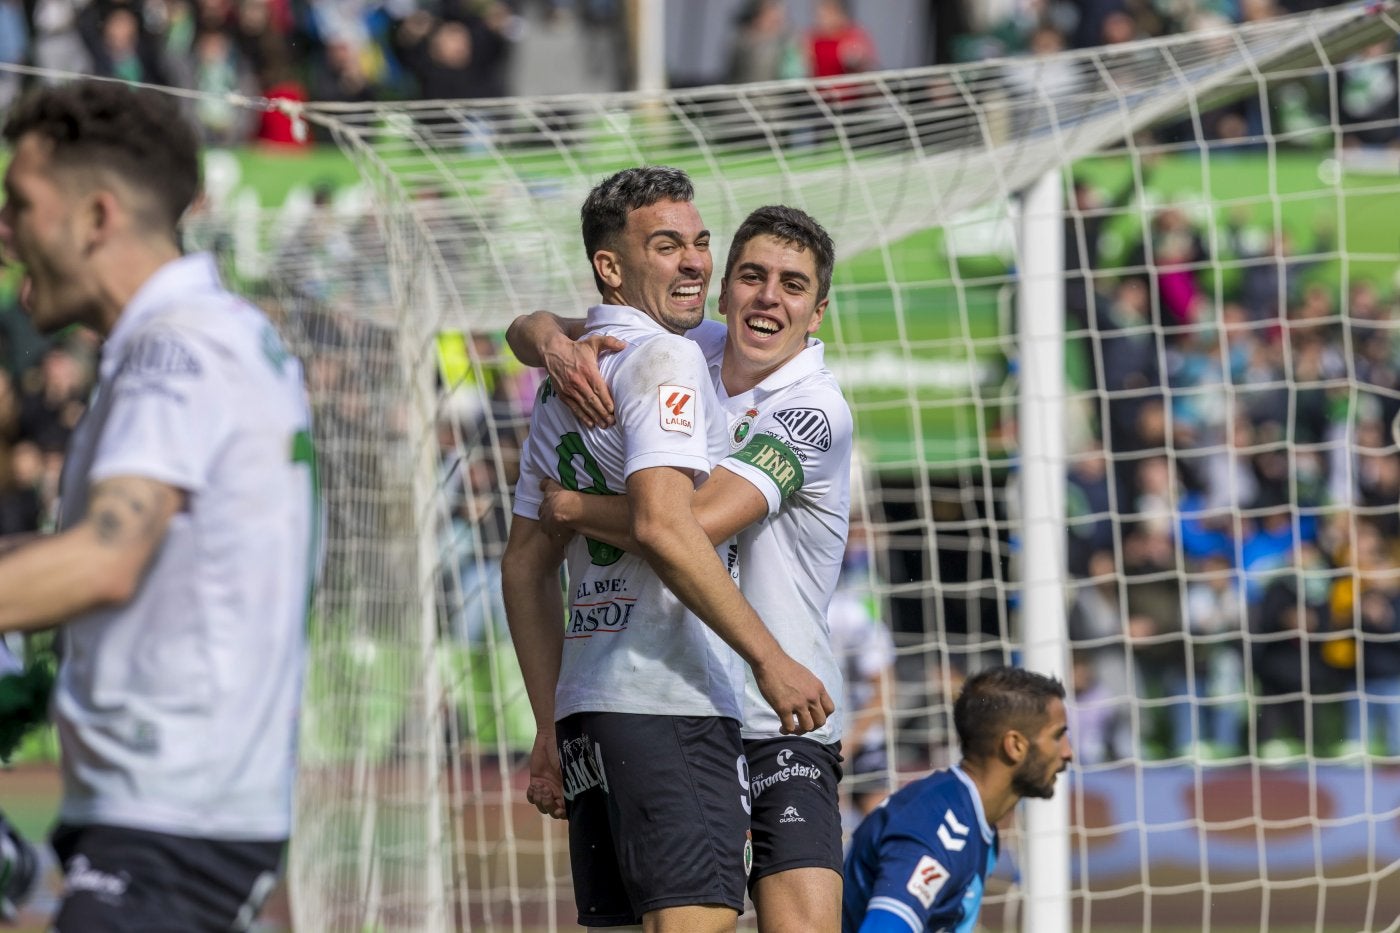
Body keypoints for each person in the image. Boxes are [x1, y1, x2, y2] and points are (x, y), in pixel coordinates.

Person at [0, 80, 316, 932]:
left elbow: (106, 557)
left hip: (173, 820)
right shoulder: (210, 333)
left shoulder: (173, 350)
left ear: (96, 217)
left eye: (20, 205)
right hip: (181, 813)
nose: (5, 233)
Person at [501, 169, 833, 932]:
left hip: (595, 706)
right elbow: (668, 525)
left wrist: (550, 720)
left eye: (699, 242)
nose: (693, 260)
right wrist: (769, 658)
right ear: (610, 266)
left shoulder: (575, 369)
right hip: (675, 700)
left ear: (819, 311)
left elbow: (524, 564)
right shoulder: (670, 358)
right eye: (667, 245)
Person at [842, 666, 1071, 933]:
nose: (1068, 752)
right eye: (1058, 736)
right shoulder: (939, 829)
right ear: (1015, 745)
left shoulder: (970, 816)